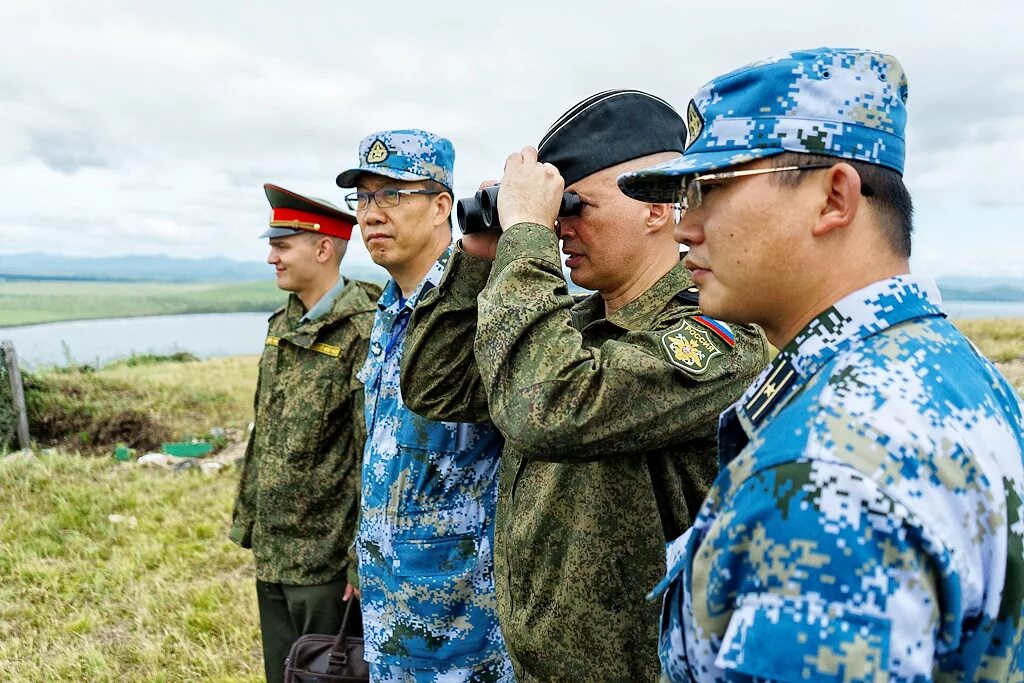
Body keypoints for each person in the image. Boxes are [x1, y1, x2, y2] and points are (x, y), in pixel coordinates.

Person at [617, 47, 1024, 681]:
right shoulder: (951, 370)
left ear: (833, 198)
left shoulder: (823, 472)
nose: (683, 228)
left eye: (709, 190)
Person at [400, 91, 769, 681]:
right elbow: (436, 387)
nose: (561, 227)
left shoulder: (719, 334)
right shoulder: (568, 328)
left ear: (655, 207)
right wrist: (479, 255)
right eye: (555, 211)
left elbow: (548, 409)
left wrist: (528, 237)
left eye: (578, 206)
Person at [334, 129, 512, 682]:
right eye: (363, 198)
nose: (371, 214)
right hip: (392, 619)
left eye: (391, 195)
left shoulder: (483, 310)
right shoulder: (388, 311)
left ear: (442, 207)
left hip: (465, 632)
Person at [229, 183, 381, 683]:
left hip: (325, 563)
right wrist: (249, 520)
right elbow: (266, 432)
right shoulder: (282, 323)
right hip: (274, 550)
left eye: (282, 245)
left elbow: (370, 453)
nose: (271, 257)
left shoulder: (362, 329)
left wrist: (361, 561)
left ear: (322, 249)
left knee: (327, 674)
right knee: (284, 674)